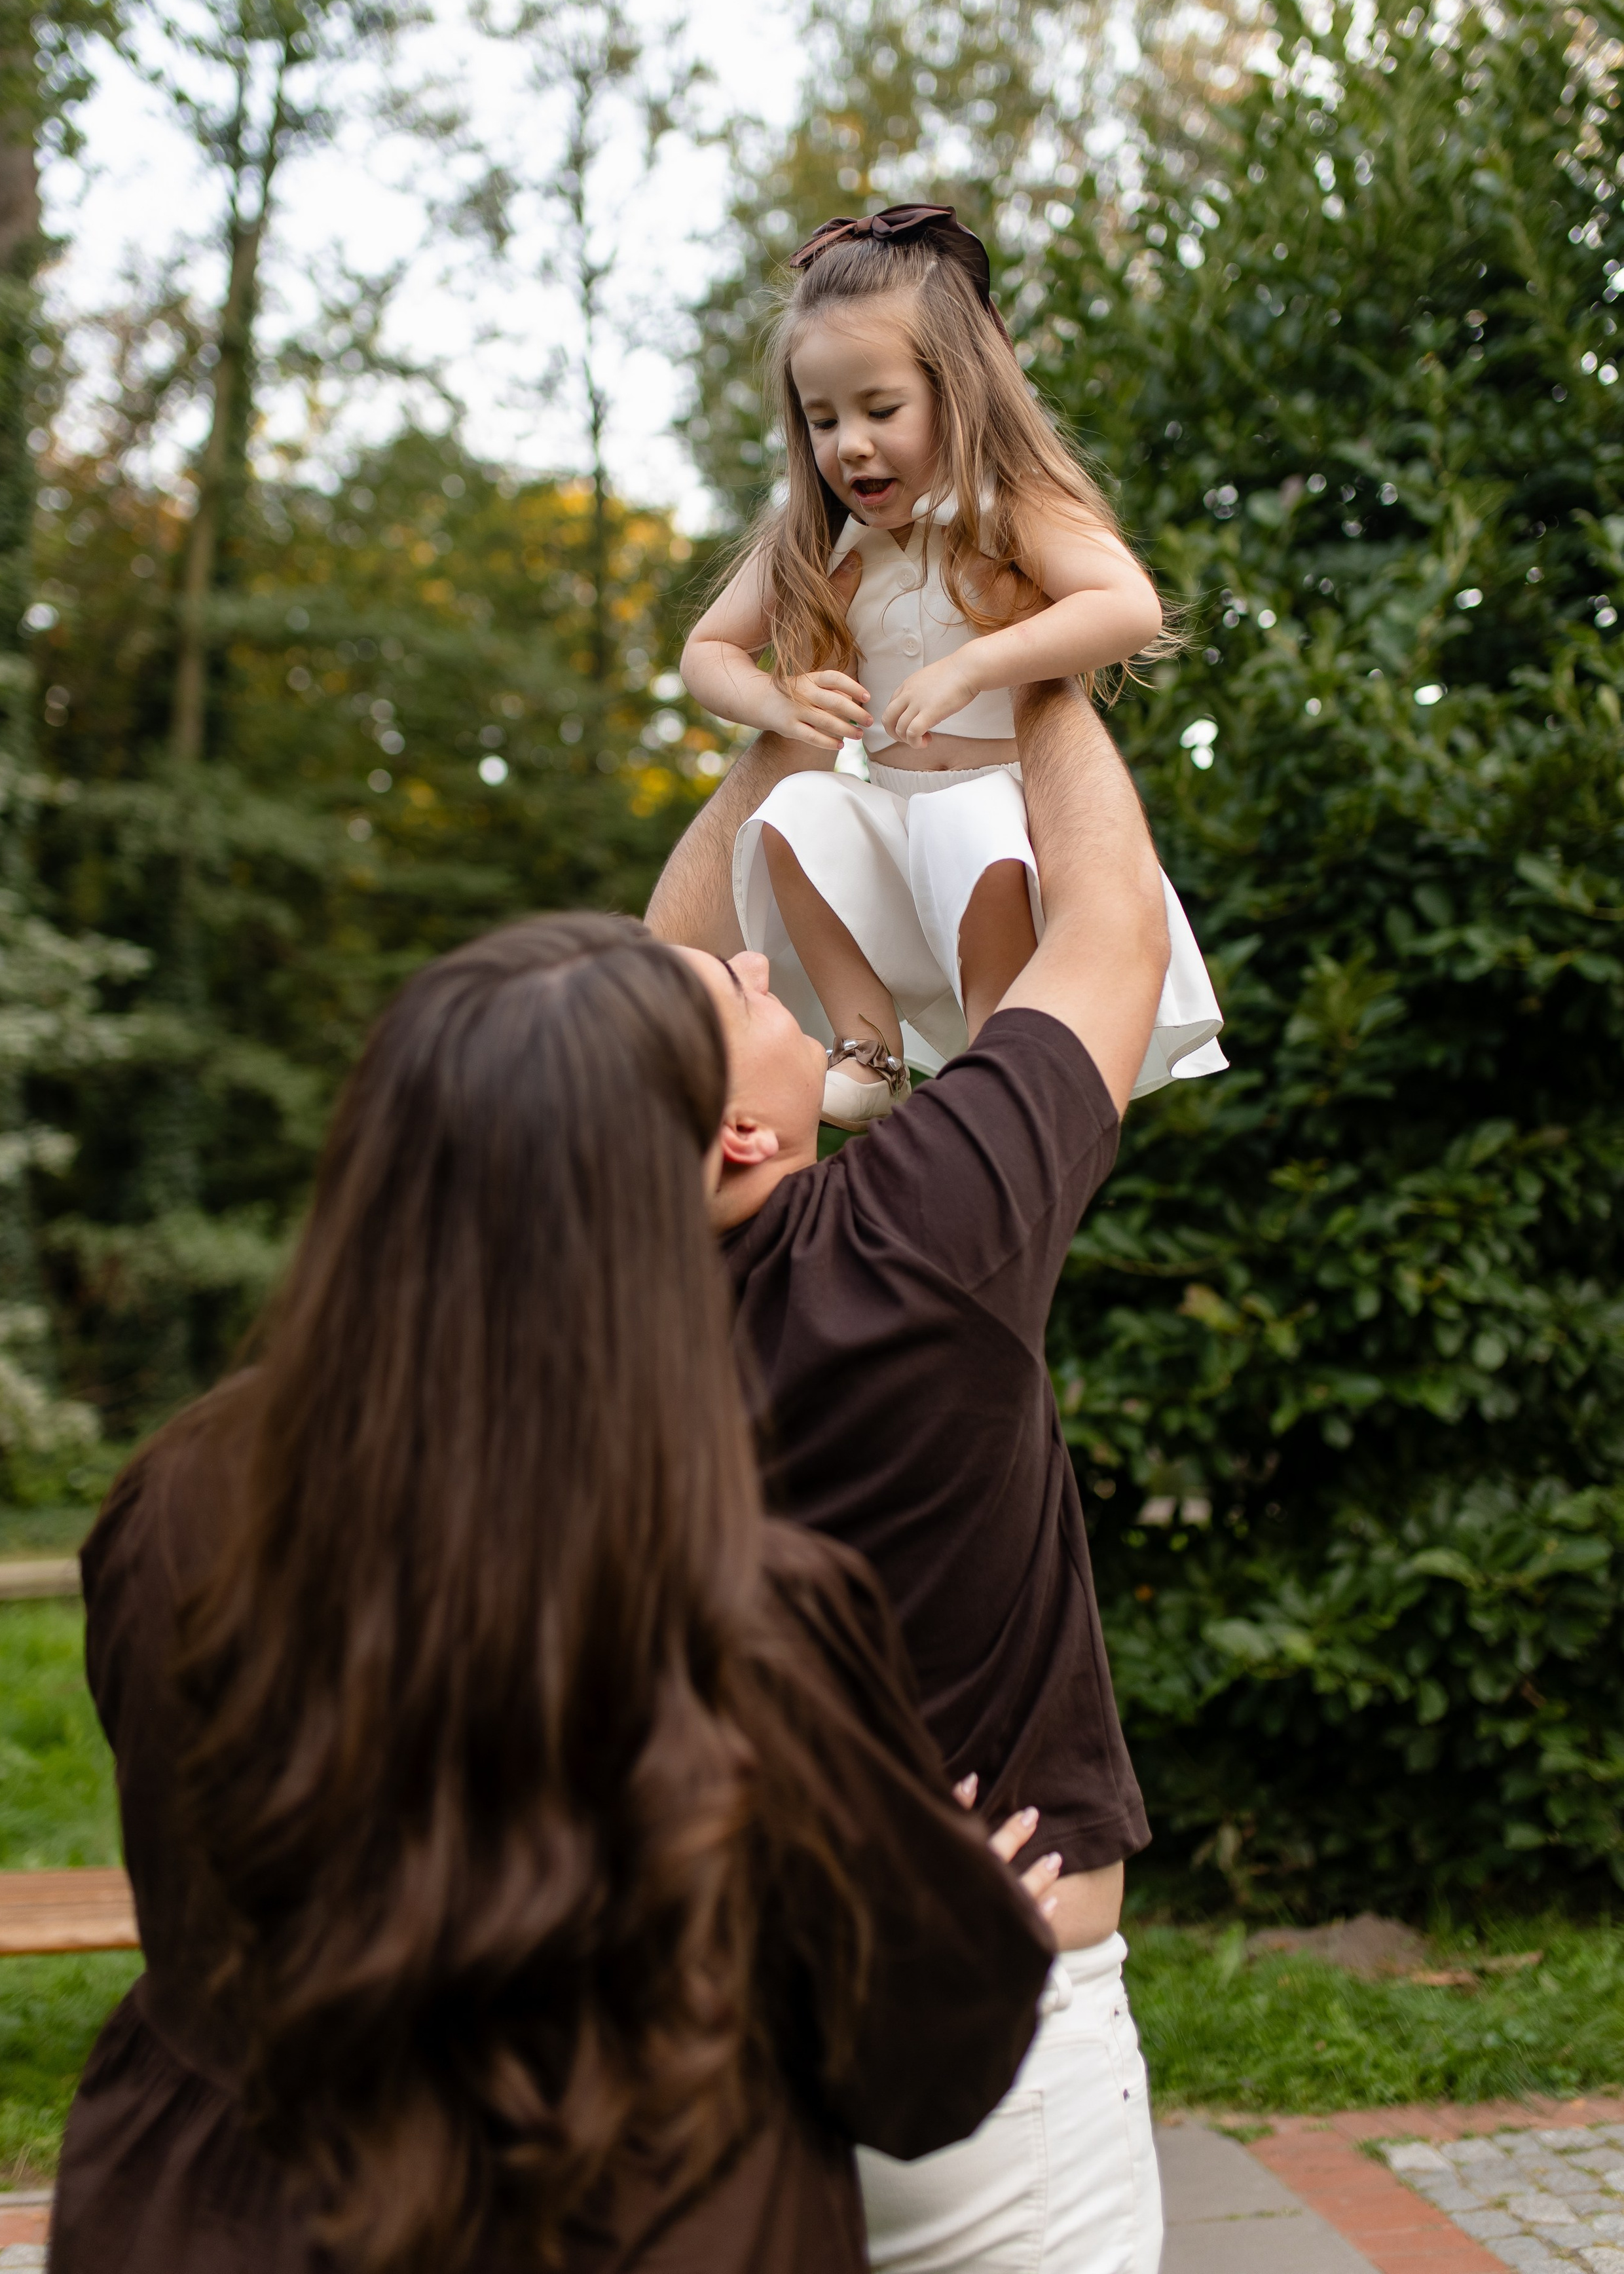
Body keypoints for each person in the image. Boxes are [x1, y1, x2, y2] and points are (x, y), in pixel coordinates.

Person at [50, 917, 1061, 2274]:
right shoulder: (740, 1607)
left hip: (206, 2216)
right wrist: (956, 1907)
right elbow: (925, 2066)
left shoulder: (174, 1501)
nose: (763, 968)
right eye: (735, 988)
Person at [648, 675, 1173, 2274]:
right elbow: (1110, 934)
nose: (759, 958)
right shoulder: (909, 1248)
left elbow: (618, 990)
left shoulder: (555, 1339)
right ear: (740, 1138)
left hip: (679, 2036)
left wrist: (791, 720)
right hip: (984, 2038)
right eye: (743, 997)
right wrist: (1035, 657)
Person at [678, 200, 1225, 1128]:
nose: (849, 443)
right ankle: (868, 1050)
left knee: (968, 823)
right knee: (791, 810)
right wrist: (778, 700)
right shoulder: (815, 542)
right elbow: (705, 652)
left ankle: (995, 1049)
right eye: (822, 420)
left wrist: (980, 668)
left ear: (956, 391)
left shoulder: (1010, 507)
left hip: (1004, 817)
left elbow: (1127, 605)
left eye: (880, 408)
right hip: (890, 817)